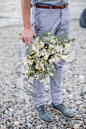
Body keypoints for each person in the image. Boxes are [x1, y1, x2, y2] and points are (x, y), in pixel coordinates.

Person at [21, 0, 75, 123]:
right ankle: (39, 104)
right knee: (39, 63)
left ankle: (57, 102)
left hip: (65, 10)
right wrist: (26, 26)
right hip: (43, 12)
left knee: (59, 61)